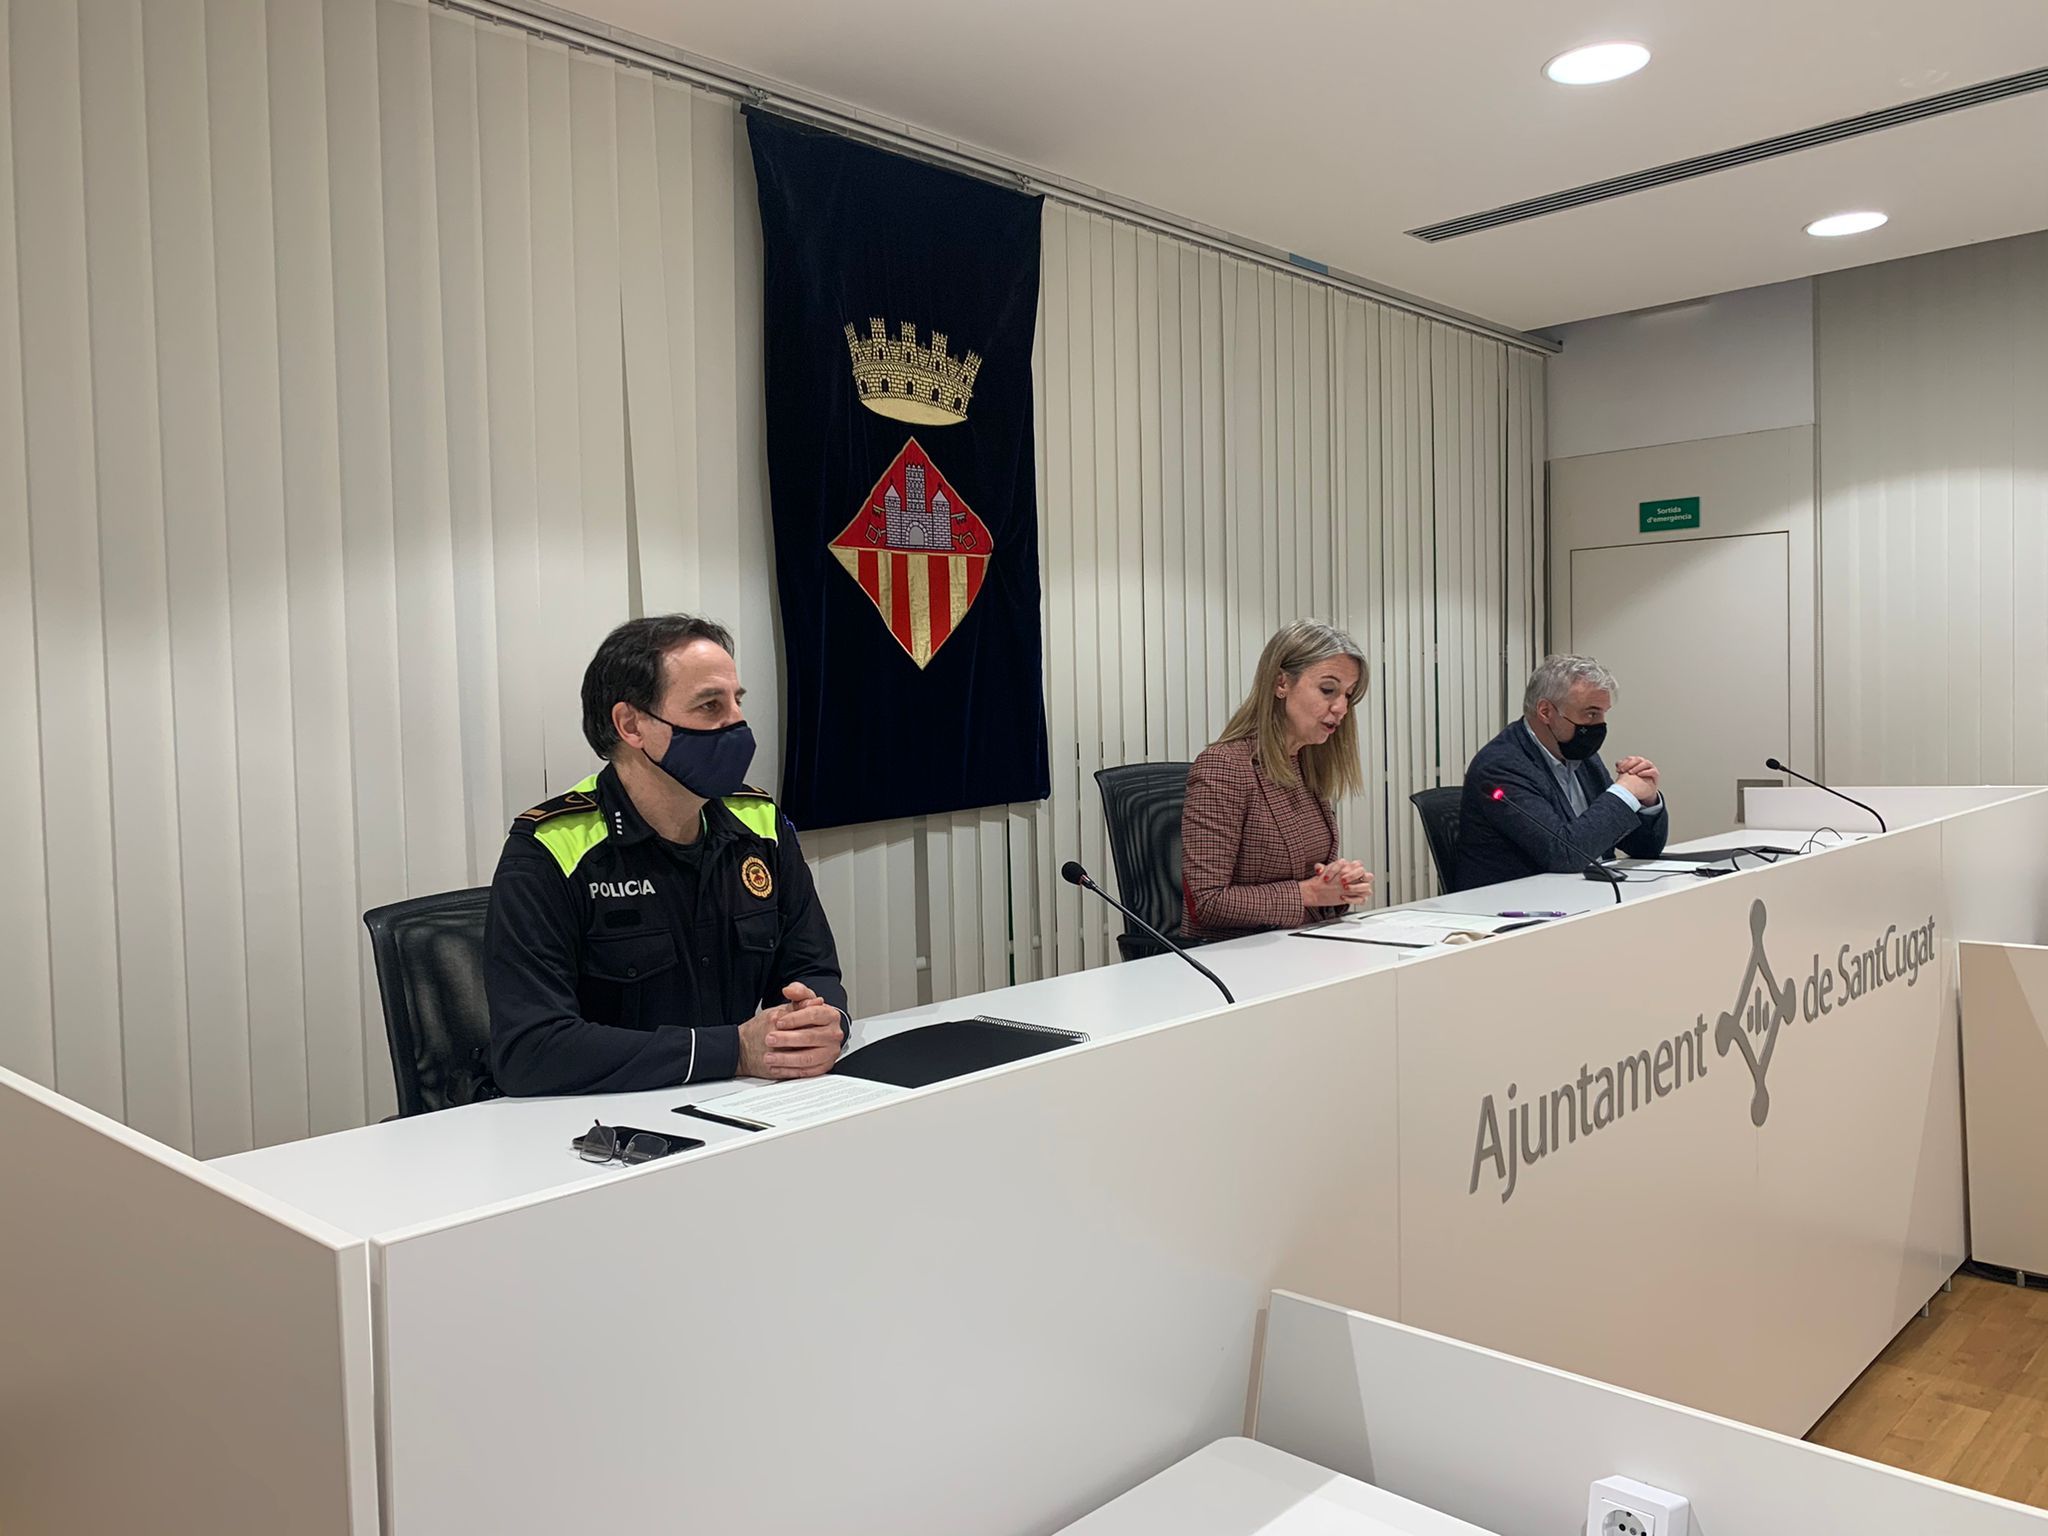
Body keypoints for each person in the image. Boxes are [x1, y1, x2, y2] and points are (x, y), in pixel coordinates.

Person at [483, 614, 850, 1096]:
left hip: (748, 1107)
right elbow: (530, 1049)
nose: (736, 722)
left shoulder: (759, 823)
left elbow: (812, 968)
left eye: (736, 701)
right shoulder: (552, 848)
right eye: (709, 705)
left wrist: (824, 1023)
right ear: (631, 724)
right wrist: (733, 1051)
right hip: (607, 1134)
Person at [1180, 620, 1374, 942]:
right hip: (1232, 958)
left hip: (1297, 948)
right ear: (1281, 683)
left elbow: (1308, 884)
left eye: (1348, 696)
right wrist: (1310, 894)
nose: (1340, 708)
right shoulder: (1223, 767)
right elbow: (1207, 901)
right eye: (1328, 689)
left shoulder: (1305, 764)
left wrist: (1337, 887)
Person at [1453, 654, 1668, 891]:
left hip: (1581, 896)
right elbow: (1564, 854)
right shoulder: (1501, 767)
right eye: (1591, 713)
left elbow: (1644, 848)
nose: (1600, 725)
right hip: (1515, 908)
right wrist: (1624, 793)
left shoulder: (1581, 756)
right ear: (1546, 711)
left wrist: (1646, 801)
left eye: (1603, 714)